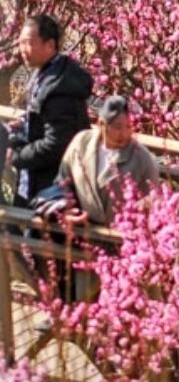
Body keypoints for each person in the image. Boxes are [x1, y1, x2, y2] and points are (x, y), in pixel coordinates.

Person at [5, 14, 92, 208]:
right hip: (37, 180)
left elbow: (56, 143)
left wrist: (16, 157)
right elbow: (42, 118)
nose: (23, 50)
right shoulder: (47, 73)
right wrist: (25, 123)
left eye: (28, 43)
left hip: (52, 187)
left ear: (50, 45)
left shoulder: (60, 87)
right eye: (20, 44)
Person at [55, 94, 160, 226]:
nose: (124, 133)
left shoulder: (142, 158)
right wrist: (66, 209)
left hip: (121, 235)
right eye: (117, 127)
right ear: (101, 124)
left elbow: (153, 200)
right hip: (81, 230)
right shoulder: (81, 143)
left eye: (128, 127)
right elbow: (63, 181)